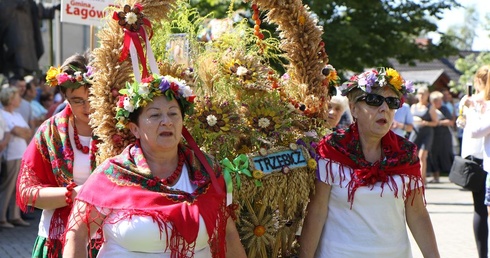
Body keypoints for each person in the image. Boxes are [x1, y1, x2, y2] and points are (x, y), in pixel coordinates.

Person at [63, 74, 246, 257]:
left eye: (173, 113)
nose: (166, 121)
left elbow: (227, 233)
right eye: (155, 115)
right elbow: (77, 234)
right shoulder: (113, 174)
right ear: (135, 129)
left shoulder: (206, 172)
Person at [299, 68, 440, 257]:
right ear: (354, 108)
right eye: (374, 101)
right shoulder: (332, 149)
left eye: (392, 102)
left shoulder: (406, 153)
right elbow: (316, 212)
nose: (384, 109)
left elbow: (417, 213)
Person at [16, 53, 99, 257]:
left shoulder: (123, 130)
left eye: (93, 99)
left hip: (110, 241)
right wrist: (76, 194)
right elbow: (27, 193)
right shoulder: (49, 132)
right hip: (57, 240)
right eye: (78, 101)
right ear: (65, 97)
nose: (87, 108)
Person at [462, 65, 490, 258]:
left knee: (480, 208)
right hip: (478, 155)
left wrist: (471, 111)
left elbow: (472, 128)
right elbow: (462, 123)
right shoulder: (473, 101)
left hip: (479, 156)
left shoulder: (475, 102)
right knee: (481, 207)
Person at [0, 87, 32, 228]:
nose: (19, 100)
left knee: (18, 187)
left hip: (21, 154)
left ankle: (15, 215)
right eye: (17, 97)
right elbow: (15, 131)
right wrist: (21, 131)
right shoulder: (2, 114)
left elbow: (28, 132)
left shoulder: (17, 115)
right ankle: (2, 217)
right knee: (8, 186)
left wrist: (21, 131)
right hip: (11, 155)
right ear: (11, 99)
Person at [409, 86, 439, 185]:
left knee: (422, 156)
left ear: (427, 95)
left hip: (427, 132)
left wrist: (425, 122)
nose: (421, 96)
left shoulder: (430, 107)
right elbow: (410, 120)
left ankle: (422, 180)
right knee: (412, 155)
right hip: (416, 132)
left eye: (423, 94)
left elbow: (435, 122)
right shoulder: (413, 107)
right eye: (420, 94)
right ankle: (412, 177)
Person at [427, 91, 454, 183]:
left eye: (439, 101)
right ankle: (436, 176)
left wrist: (438, 122)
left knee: (446, 155)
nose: (438, 103)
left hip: (444, 136)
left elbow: (450, 122)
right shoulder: (430, 109)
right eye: (436, 101)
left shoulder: (444, 109)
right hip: (433, 135)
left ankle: (451, 175)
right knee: (433, 156)